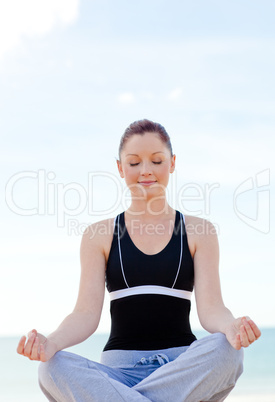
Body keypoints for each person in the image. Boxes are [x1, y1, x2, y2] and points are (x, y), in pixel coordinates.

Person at [17, 119, 261, 402]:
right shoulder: (98, 235)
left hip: (179, 372)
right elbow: (84, 315)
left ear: (172, 163)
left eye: (156, 161)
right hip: (117, 374)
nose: (146, 171)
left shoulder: (200, 231)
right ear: (120, 168)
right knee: (51, 368)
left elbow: (212, 310)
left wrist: (231, 327)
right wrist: (51, 343)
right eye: (134, 163)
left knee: (228, 351)